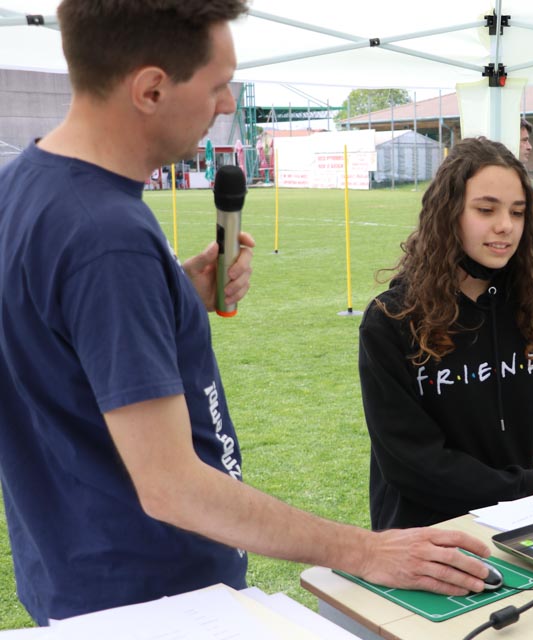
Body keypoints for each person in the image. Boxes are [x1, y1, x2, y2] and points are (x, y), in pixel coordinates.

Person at [0, 0, 489, 626]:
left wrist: (173, 294)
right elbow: (171, 486)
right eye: (218, 85)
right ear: (150, 89)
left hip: (70, 574)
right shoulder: (108, 237)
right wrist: (366, 550)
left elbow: (52, 340)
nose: (227, 103)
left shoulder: (24, 186)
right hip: (152, 598)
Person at [359, 137, 533, 530]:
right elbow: (411, 461)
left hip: (527, 521)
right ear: (448, 214)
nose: (505, 225)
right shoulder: (392, 320)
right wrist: (528, 485)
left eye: (517, 212)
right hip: (430, 535)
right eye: (485, 209)